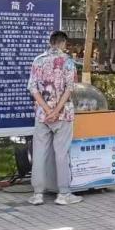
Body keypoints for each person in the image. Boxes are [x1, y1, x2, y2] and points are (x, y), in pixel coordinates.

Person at [28, 30, 81, 206]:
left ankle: (37, 194)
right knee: (62, 154)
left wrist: (47, 110)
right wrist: (56, 111)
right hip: (63, 115)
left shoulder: (38, 60)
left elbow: (33, 89)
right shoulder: (68, 61)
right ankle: (63, 194)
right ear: (63, 43)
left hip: (42, 115)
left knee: (39, 153)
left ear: (50, 42)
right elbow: (69, 88)